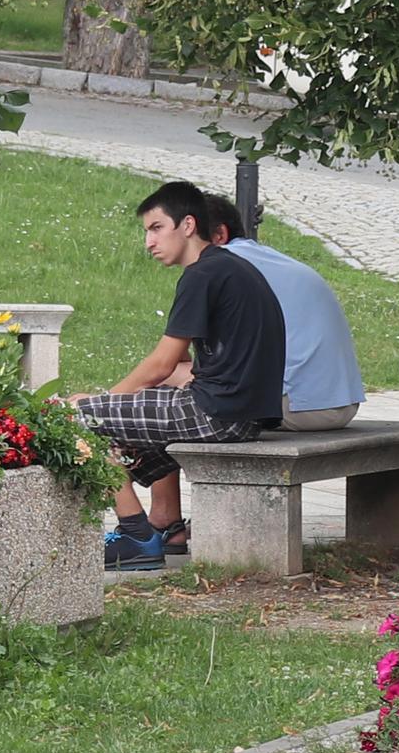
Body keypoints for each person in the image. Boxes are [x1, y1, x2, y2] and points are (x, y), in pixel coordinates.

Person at [74, 181, 282, 570]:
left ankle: (136, 535)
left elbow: (163, 364)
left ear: (187, 225)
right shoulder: (231, 266)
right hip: (245, 414)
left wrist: (99, 403)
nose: (149, 242)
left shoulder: (202, 274)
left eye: (156, 228)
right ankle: (165, 524)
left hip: (216, 411)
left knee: (72, 419)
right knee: (130, 421)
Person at [204, 195, 364, 425]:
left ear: (219, 235)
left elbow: (170, 362)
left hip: (297, 405)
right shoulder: (269, 260)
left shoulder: (223, 266)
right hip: (339, 403)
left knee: (171, 384)